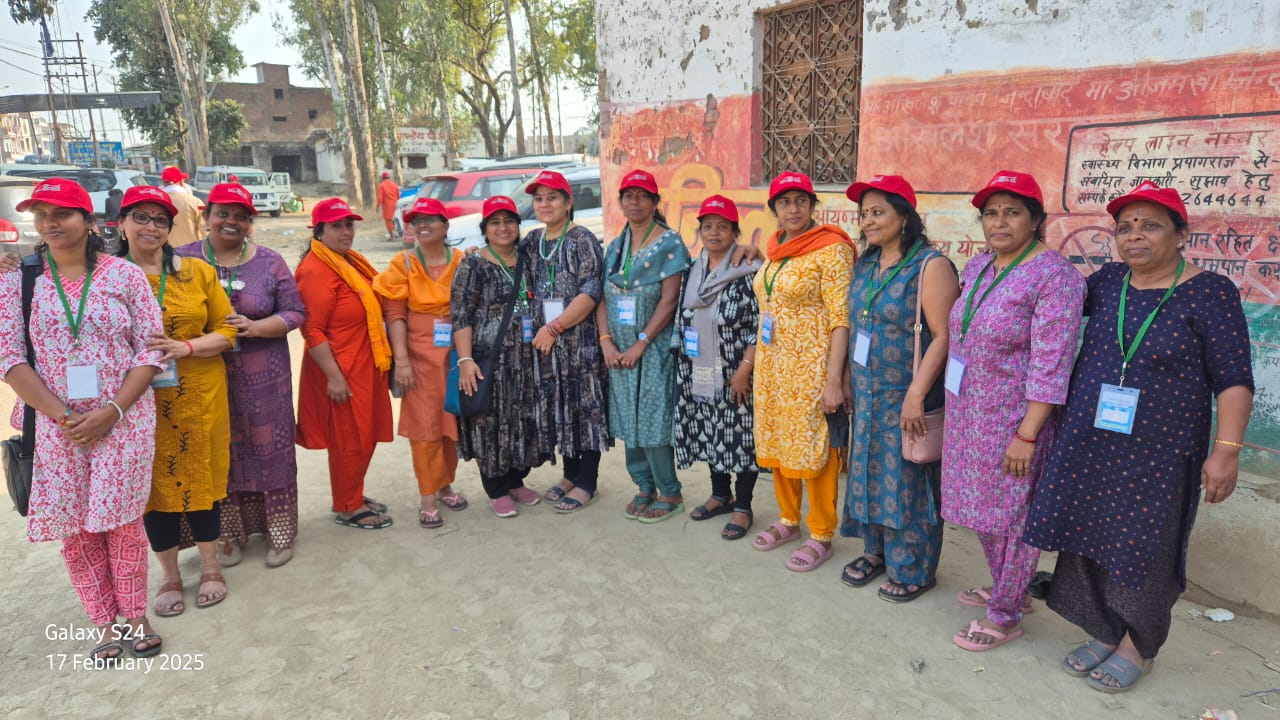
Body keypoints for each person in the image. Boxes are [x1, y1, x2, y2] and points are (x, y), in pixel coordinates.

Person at [1023, 182, 1254, 692]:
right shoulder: (1108, 282)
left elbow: (1235, 379)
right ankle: (1104, 628)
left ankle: (1139, 644)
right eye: (1125, 227)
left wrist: (1227, 452)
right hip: (1091, 438)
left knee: (1147, 544)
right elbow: (1051, 311)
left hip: (1162, 451)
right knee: (1089, 532)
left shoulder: (1211, 292)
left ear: (1180, 235)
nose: (1134, 236)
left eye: (1150, 225)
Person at [0, 179, 165, 660]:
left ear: (89, 222)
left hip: (125, 421)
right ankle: (103, 623)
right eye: (42, 213)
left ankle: (136, 616)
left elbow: (150, 350)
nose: (50, 222)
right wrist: (66, 415)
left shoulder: (124, 276)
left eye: (63, 213)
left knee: (123, 524)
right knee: (78, 529)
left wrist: (111, 411)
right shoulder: (18, 279)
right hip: (57, 428)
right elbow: (9, 359)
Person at [942, 170, 1086, 651]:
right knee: (983, 511)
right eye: (990, 213)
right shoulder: (981, 266)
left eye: (1012, 212)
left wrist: (1027, 433)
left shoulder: (1055, 278)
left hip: (1015, 420)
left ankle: (1005, 613)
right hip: (968, 415)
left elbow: (1052, 362)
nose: (999, 222)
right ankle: (1012, 588)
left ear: (1036, 219)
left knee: (1014, 517)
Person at [115, 185, 238, 617]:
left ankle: (209, 567)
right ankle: (168, 574)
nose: (151, 227)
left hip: (199, 393)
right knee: (151, 487)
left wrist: (184, 348)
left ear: (171, 228)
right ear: (122, 223)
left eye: (160, 220)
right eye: (142, 217)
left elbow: (228, 330)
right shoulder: (106, 276)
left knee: (202, 478)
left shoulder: (196, 272)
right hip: (136, 403)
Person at [839, 175, 959, 600]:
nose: (868, 221)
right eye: (864, 213)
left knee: (908, 478)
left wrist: (915, 394)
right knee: (870, 471)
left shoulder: (930, 265)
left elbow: (944, 336)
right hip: (869, 393)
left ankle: (913, 566)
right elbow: (858, 324)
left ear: (904, 216)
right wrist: (849, 376)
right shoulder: (867, 263)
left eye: (878, 212)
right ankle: (876, 552)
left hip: (906, 393)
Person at [175, 183, 306, 568]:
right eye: (223, 213)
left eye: (241, 215)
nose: (231, 221)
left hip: (264, 379)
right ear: (206, 215)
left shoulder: (269, 262)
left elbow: (296, 312)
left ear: (250, 222)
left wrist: (255, 328)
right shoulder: (180, 261)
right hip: (203, 375)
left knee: (270, 450)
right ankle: (225, 535)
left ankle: (279, 533)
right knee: (216, 450)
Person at [750, 171, 856, 572]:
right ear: (774, 209)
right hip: (773, 367)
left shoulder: (832, 249)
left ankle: (822, 531)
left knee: (816, 448)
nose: (792, 209)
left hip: (812, 367)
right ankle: (788, 518)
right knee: (780, 441)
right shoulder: (776, 248)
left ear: (813, 205)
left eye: (800, 201)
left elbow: (840, 318)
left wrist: (834, 379)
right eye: (784, 202)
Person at [597, 169, 692, 523]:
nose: (634, 202)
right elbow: (601, 297)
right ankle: (643, 486)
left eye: (642, 195)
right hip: (617, 347)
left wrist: (641, 342)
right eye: (628, 195)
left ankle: (670, 491)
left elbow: (669, 301)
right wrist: (606, 341)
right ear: (621, 202)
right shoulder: (615, 246)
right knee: (627, 415)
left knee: (653, 417)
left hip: (652, 347)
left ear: (654, 202)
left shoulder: (670, 244)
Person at [295, 198, 395, 528]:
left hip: (366, 365)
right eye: (336, 226)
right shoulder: (315, 269)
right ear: (319, 231)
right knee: (349, 440)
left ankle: (354, 491)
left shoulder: (349, 261)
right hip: (341, 370)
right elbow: (312, 329)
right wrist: (334, 377)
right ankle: (348, 505)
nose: (345, 231)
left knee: (364, 436)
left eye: (348, 224)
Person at [451, 196, 553, 517]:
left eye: (509, 221)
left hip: (525, 360)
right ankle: (496, 488)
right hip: (488, 359)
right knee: (489, 421)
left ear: (518, 225)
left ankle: (515, 480)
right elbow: (461, 316)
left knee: (521, 418)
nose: (503, 228)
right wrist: (465, 361)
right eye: (495, 222)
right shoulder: (473, 265)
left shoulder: (527, 259)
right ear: (485, 229)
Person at [373, 197, 469, 529]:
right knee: (425, 429)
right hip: (417, 357)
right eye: (416, 221)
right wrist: (401, 361)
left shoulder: (461, 260)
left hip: (455, 356)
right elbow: (395, 315)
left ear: (446, 225)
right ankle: (427, 495)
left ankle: (445, 485)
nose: (422, 225)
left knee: (450, 425)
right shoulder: (404, 264)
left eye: (430, 219)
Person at [522, 169, 611, 514]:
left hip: (578, 341)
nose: (545, 204)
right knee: (562, 408)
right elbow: (503, 251)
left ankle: (587, 481)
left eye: (552, 197)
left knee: (585, 409)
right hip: (549, 346)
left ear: (568, 202)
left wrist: (554, 327)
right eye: (539, 198)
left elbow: (591, 292)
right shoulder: (533, 241)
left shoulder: (582, 240)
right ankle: (569, 474)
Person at [674, 195, 761, 540]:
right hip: (701, 366)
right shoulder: (693, 271)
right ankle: (719, 495)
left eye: (722, 227)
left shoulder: (749, 271)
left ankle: (742, 506)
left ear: (735, 232)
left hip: (736, 370)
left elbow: (760, 324)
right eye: (708, 226)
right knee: (712, 429)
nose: (714, 232)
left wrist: (745, 369)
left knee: (740, 436)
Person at [161, 166, 204, 248]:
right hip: (190, 253)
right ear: (181, 182)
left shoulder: (155, 203)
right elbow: (205, 228)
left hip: (163, 254)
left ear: (163, 182)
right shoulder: (196, 202)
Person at [377, 171, 400, 240]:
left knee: (388, 220)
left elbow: (380, 197)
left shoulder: (381, 185)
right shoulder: (395, 185)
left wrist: (378, 206)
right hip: (396, 204)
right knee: (395, 220)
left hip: (387, 205)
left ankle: (392, 236)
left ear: (382, 178)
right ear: (389, 177)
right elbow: (398, 196)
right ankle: (396, 233)